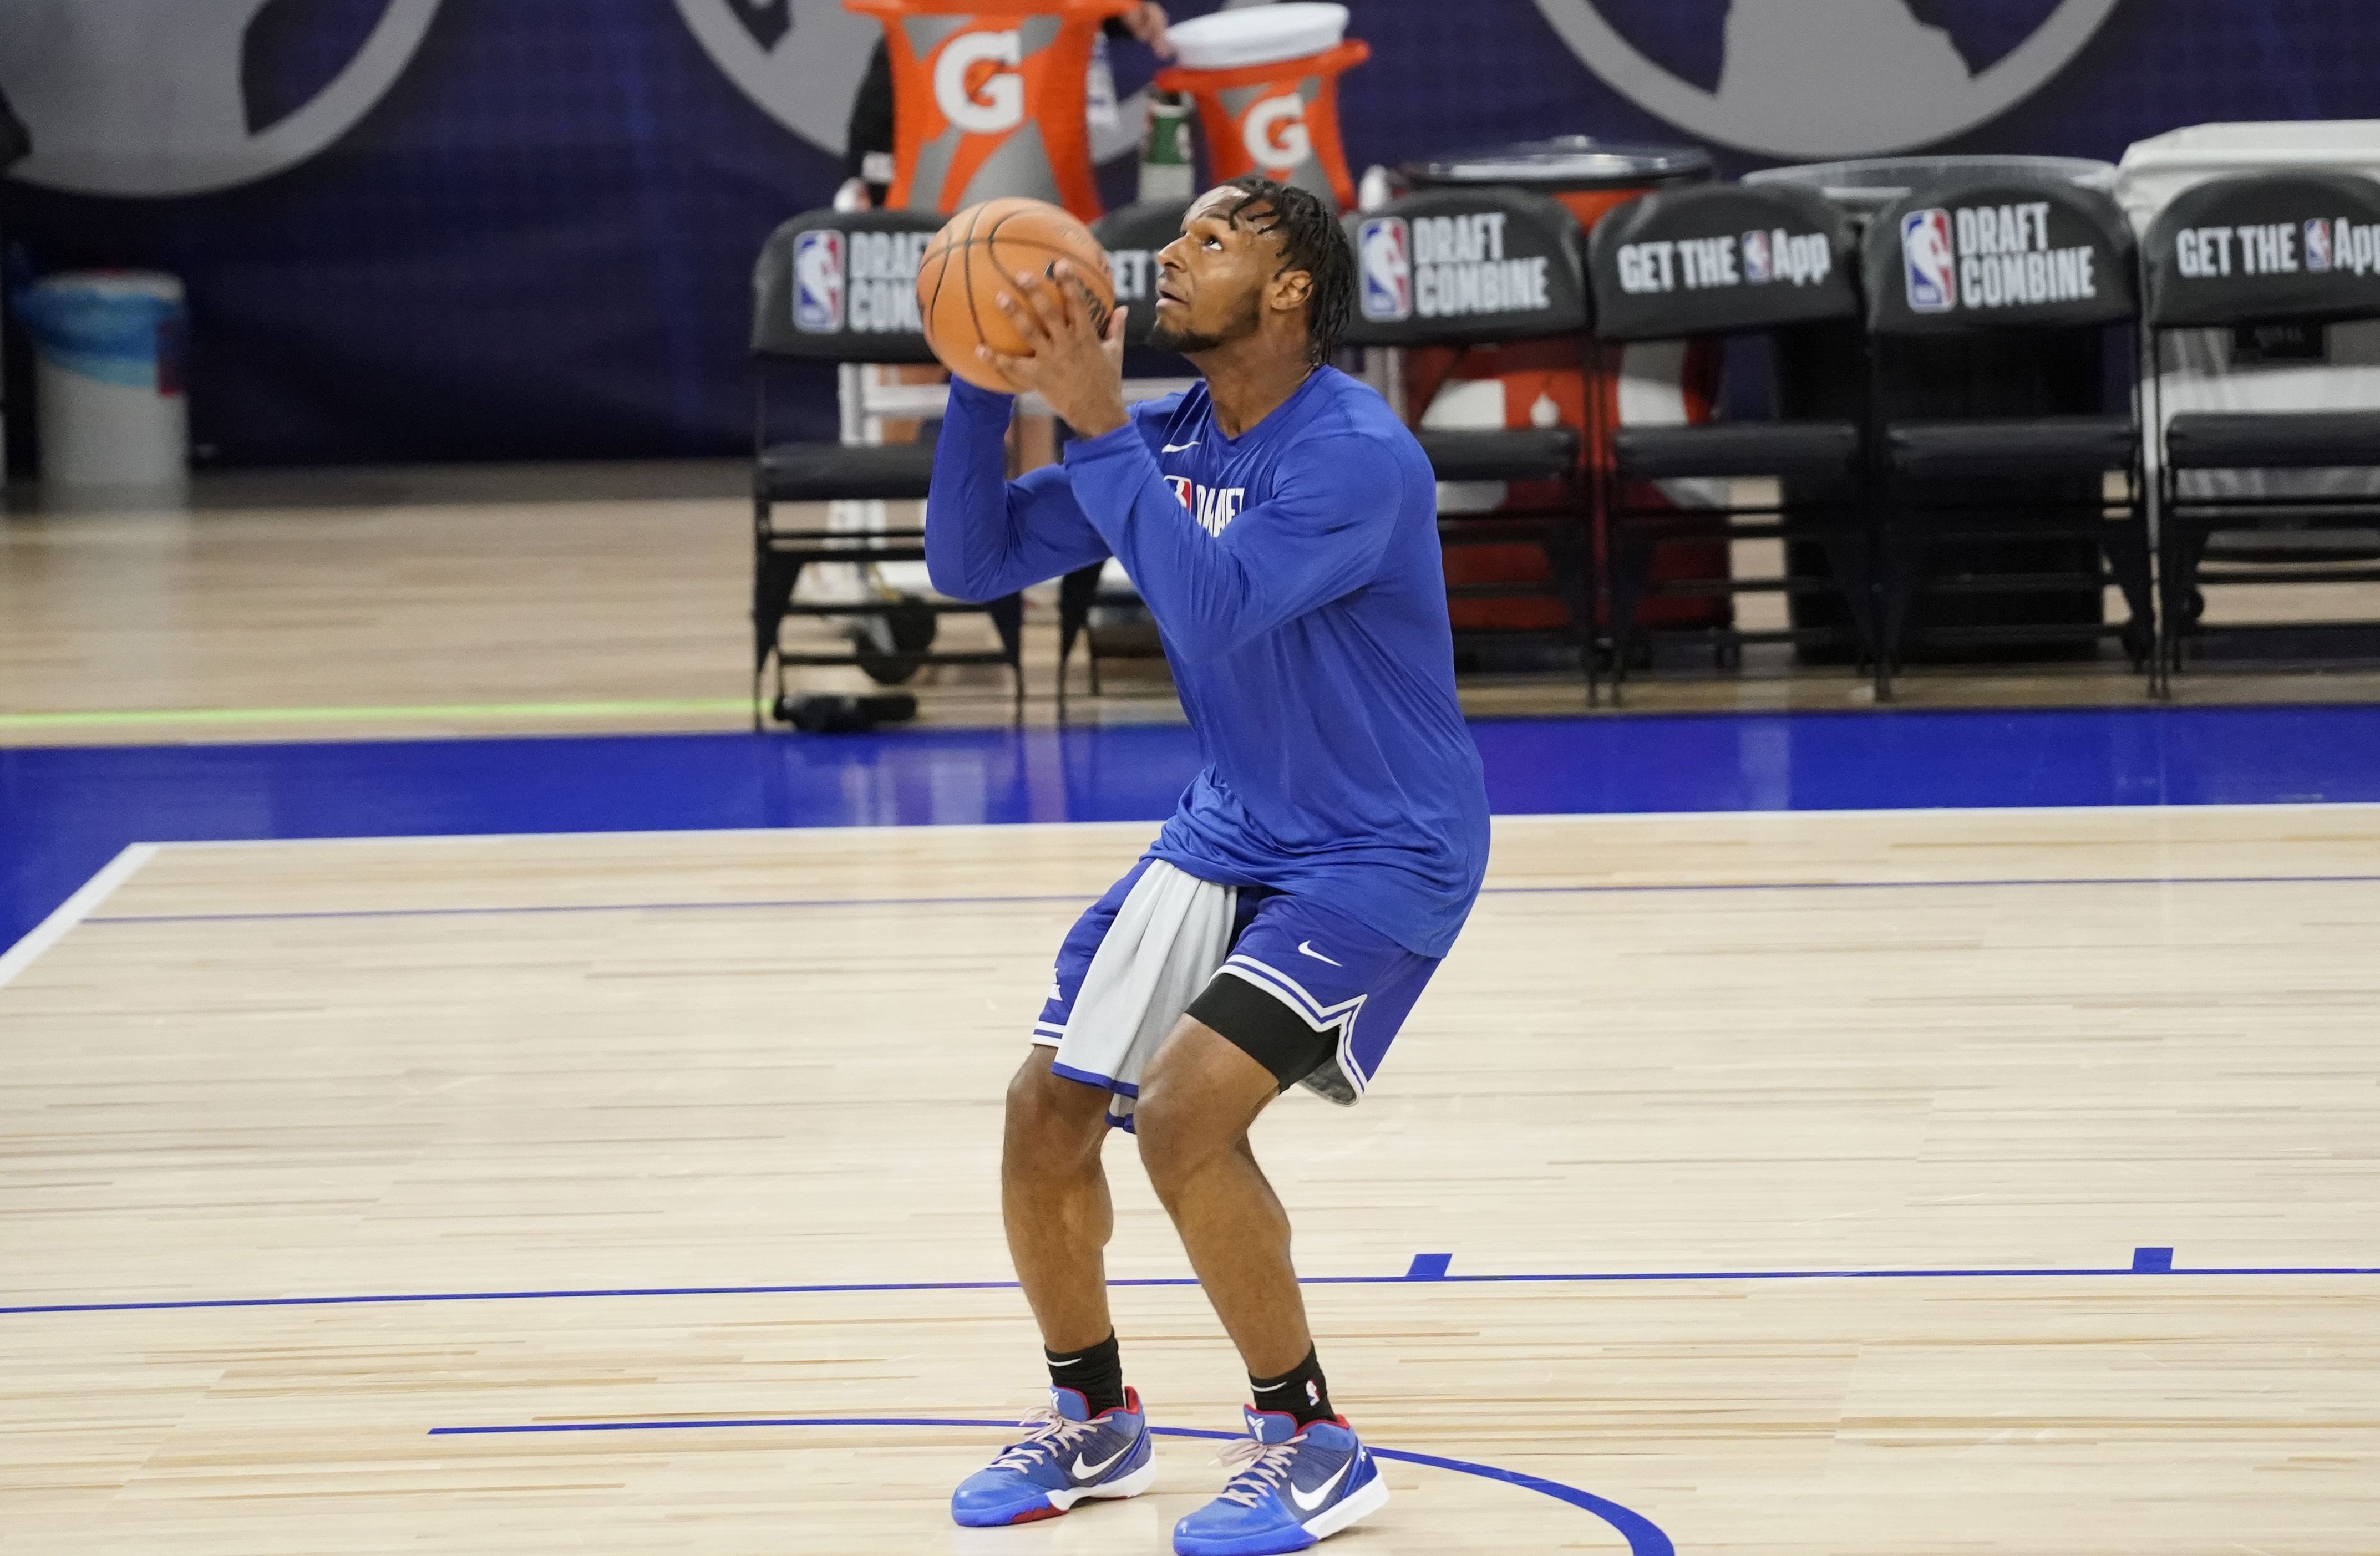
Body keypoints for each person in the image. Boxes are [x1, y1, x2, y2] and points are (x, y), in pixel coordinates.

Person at [922, 176, 1490, 1555]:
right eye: (1173, 236)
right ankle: (1094, 1416)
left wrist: (1103, 424)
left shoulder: (1357, 454)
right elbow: (967, 556)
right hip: (1234, 822)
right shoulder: (1171, 433)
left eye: (1213, 240)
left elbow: (1215, 606)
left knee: (1181, 1113)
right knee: (1044, 1109)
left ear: (1291, 290)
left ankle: (1312, 1438)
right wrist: (981, 379)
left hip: (1383, 842)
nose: (1170, 255)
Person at [844, 3, 1173, 203]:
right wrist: (872, 187)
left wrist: (1122, 13)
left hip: (1050, 206)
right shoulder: (918, 29)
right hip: (933, 216)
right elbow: (877, 114)